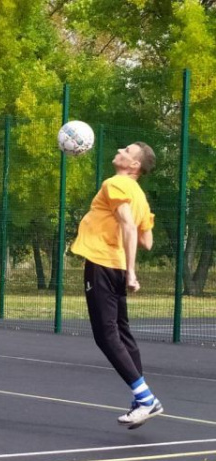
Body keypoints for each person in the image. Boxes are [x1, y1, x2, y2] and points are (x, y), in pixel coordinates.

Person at [70, 142, 161, 430]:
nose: (120, 149)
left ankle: (145, 398)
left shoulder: (116, 183)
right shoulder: (139, 196)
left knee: (106, 335)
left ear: (134, 165)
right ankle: (141, 398)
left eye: (127, 150)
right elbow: (148, 241)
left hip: (103, 263)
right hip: (116, 266)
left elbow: (128, 226)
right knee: (121, 332)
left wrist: (132, 273)